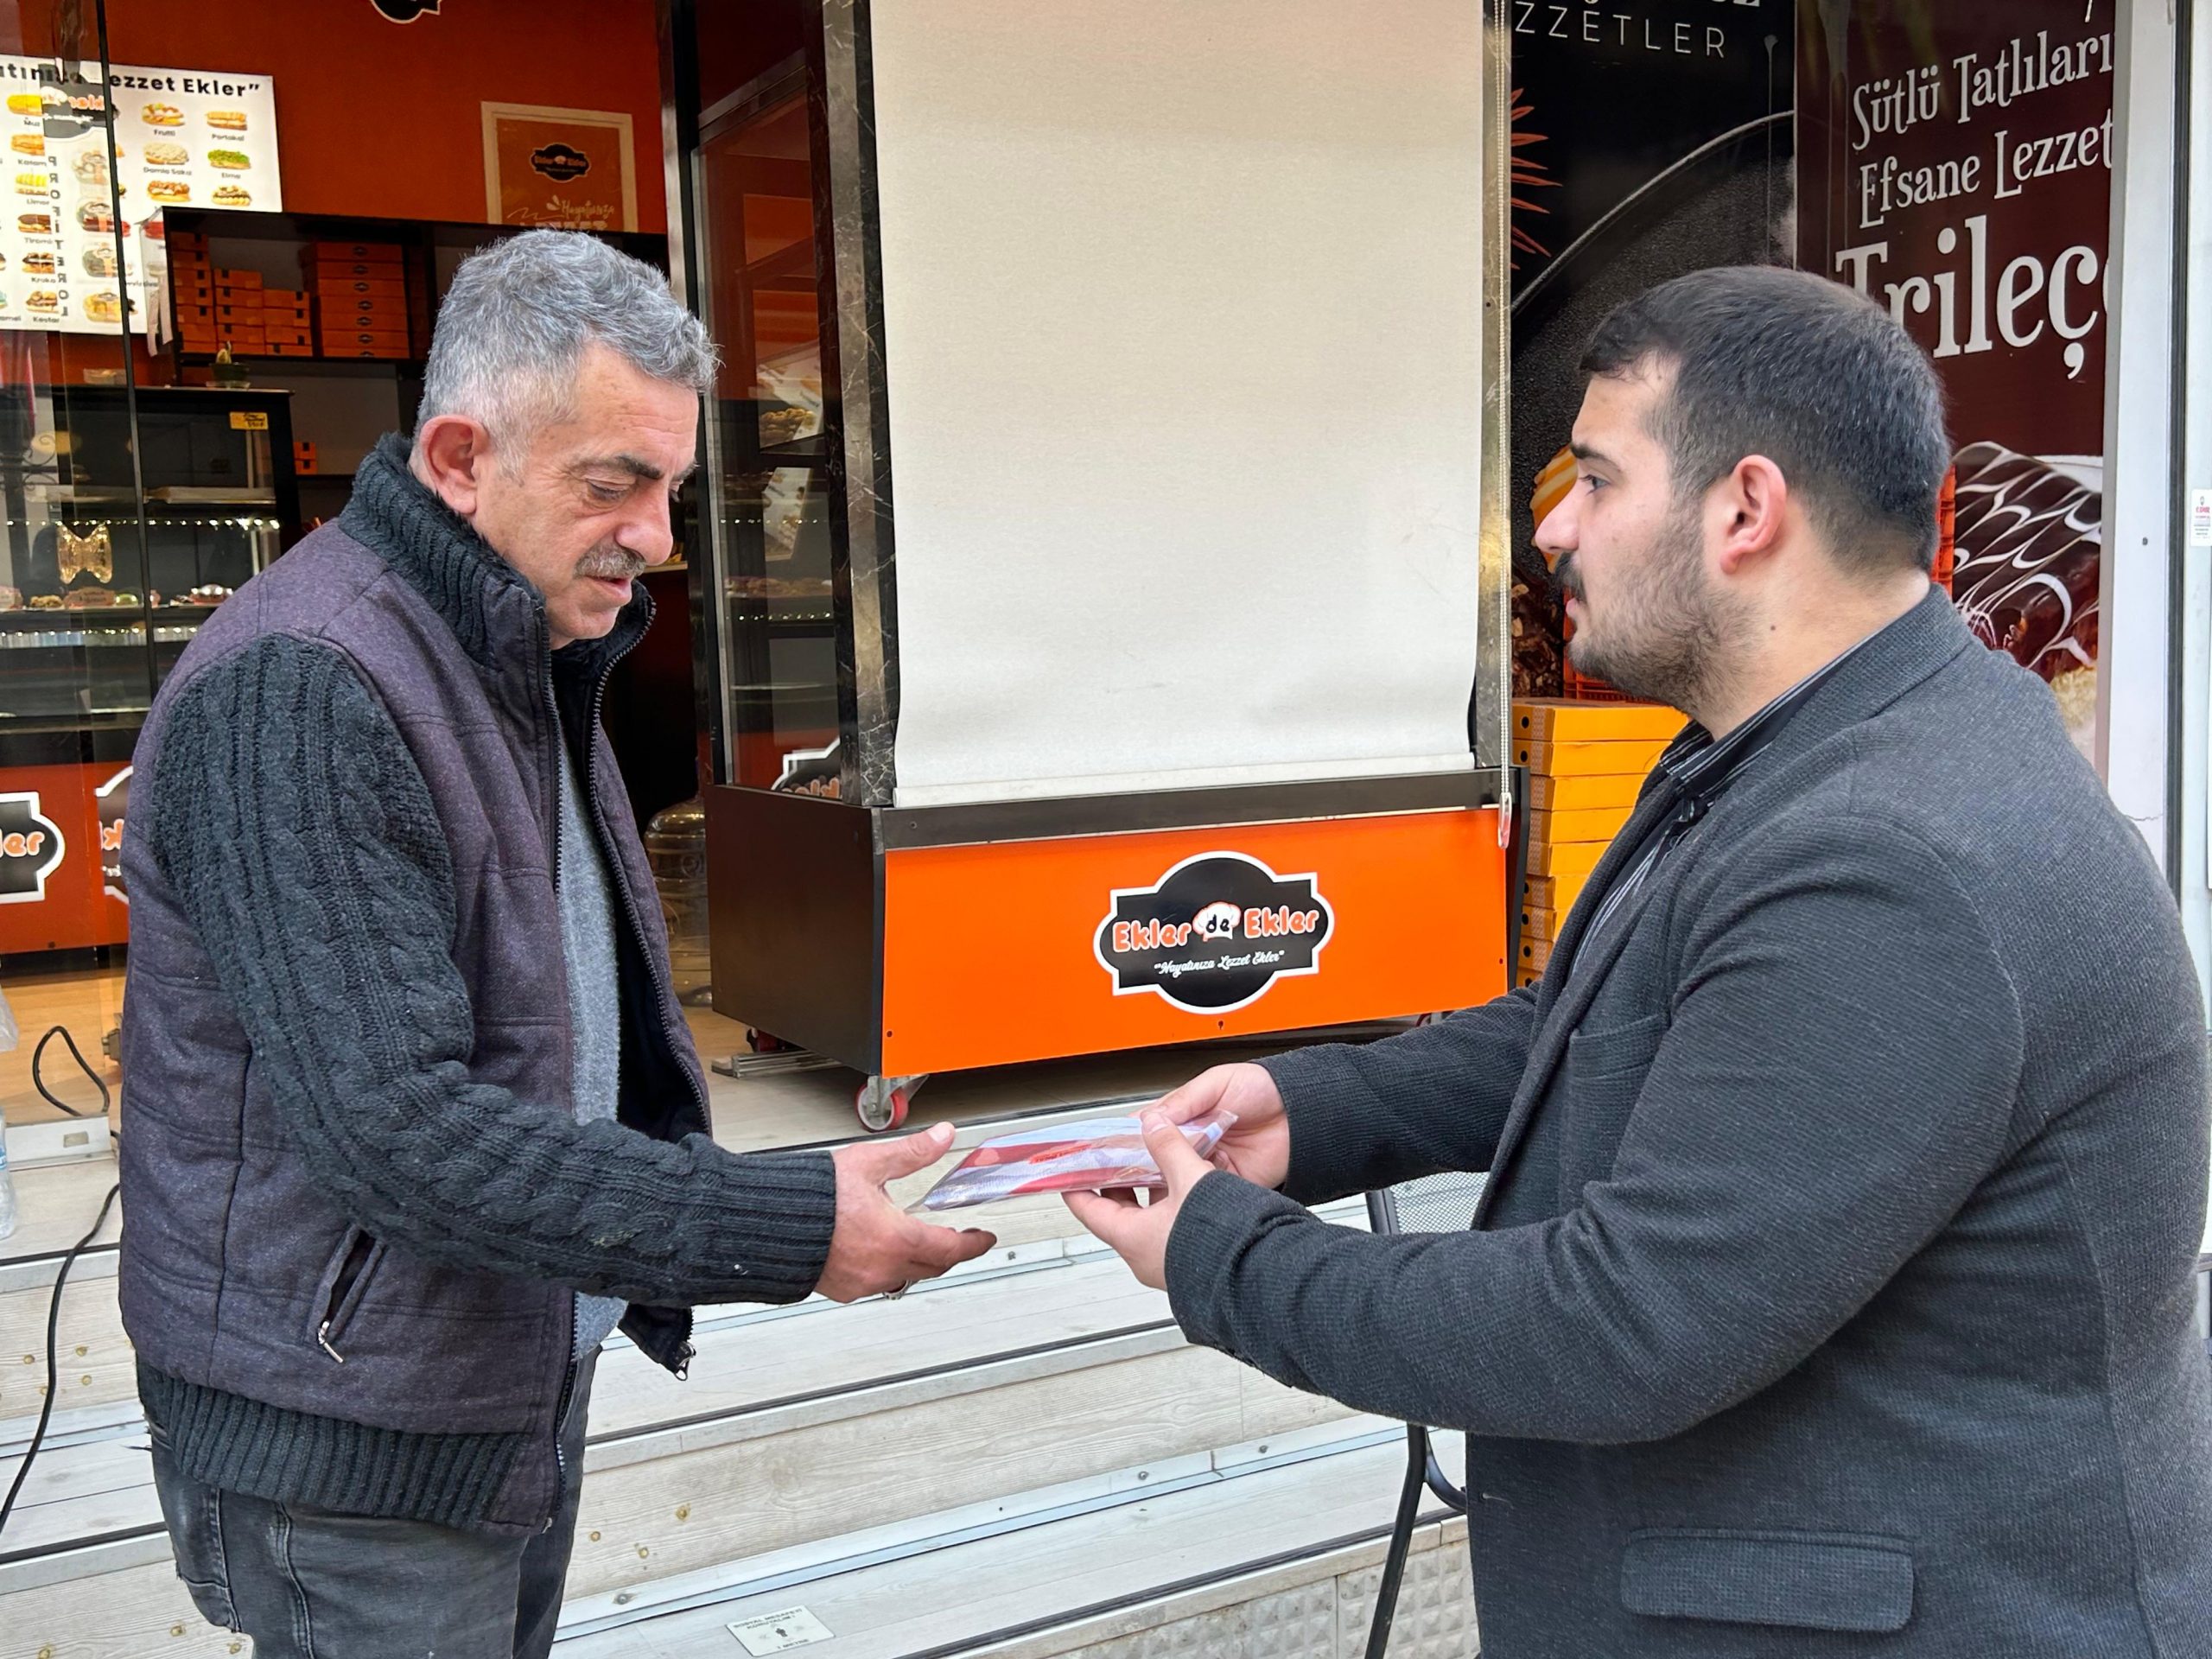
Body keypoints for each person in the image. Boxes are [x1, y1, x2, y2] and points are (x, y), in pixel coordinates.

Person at [1070, 266, 2212, 1657]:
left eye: (1597, 480)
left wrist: (1219, 1254)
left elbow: (1621, 1325)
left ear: (1746, 509)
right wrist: (1316, 1115)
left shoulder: (1894, 855)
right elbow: (1595, 1017)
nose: (1553, 527)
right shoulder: (1808, 745)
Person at [118, 230, 993, 1657]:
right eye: (615, 485)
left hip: (489, 1376)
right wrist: (776, 1224)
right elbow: (399, 1131)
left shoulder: (522, 646)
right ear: (461, 459)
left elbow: (548, 1029)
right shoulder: (307, 685)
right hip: (347, 1437)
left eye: (669, 489)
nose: (657, 536)